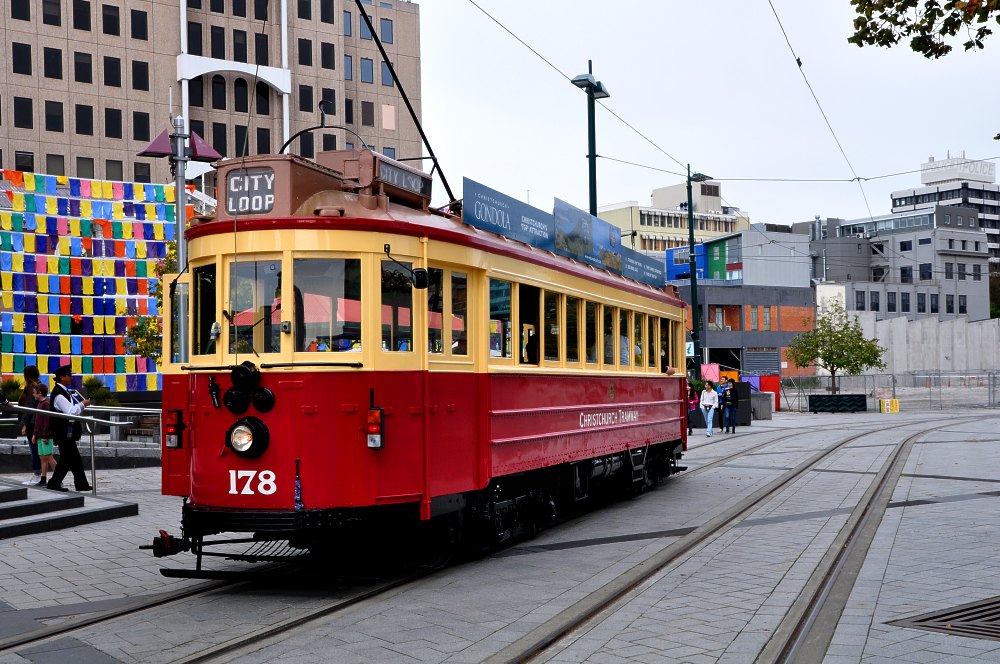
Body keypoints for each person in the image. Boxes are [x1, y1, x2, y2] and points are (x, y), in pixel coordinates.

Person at [46, 365, 92, 492]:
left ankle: (81, 484)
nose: (71, 377)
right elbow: (70, 411)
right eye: (69, 375)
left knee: (74, 458)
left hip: (67, 432)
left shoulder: (65, 392)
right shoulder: (59, 394)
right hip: (63, 432)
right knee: (66, 459)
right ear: (62, 377)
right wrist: (83, 404)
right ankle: (54, 483)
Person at [18, 365, 42, 482]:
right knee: (40, 449)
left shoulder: (31, 387)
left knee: (34, 449)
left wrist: (24, 424)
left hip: (32, 423)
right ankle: (41, 474)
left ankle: (37, 474)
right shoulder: (39, 385)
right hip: (38, 421)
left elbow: (29, 408)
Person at [31, 383, 56, 487]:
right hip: (40, 435)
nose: (33, 394)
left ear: (40, 393)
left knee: (48, 456)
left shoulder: (45, 404)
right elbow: (38, 422)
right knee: (43, 457)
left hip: (45, 436)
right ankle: (43, 479)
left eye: (34, 392)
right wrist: (35, 434)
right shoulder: (40, 404)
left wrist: (45, 435)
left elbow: (47, 421)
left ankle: (58, 477)